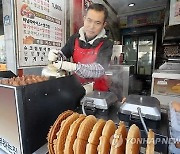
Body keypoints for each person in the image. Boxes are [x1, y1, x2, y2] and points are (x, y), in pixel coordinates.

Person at [48, 3, 113, 91]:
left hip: (98, 92)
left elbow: (99, 70)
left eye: (97, 23)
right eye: (89, 20)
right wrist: (56, 55)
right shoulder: (74, 38)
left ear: (103, 25)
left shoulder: (106, 43)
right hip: (77, 88)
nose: (91, 26)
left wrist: (74, 67)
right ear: (84, 19)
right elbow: (64, 54)